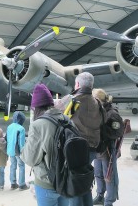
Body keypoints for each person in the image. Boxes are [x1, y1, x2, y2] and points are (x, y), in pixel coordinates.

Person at [55, 72, 105, 206]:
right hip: (93, 149)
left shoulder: (72, 100)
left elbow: (55, 111)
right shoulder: (98, 103)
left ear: (77, 84)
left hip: (76, 150)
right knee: (85, 181)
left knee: (74, 184)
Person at [21, 84, 69, 206]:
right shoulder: (66, 119)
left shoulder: (38, 125)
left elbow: (29, 158)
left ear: (35, 107)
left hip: (47, 182)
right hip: (67, 180)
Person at [92, 89, 124, 206]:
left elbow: (119, 131)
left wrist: (103, 132)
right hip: (98, 148)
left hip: (108, 149)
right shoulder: (99, 110)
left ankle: (109, 201)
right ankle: (100, 196)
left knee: (109, 176)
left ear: (99, 100)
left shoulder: (112, 113)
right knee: (98, 174)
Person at [6, 111, 29, 190]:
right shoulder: (21, 128)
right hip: (18, 151)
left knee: (13, 166)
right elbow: (21, 143)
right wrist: (23, 152)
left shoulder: (9, 126)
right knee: (21, 166)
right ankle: (22, 184)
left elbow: (7, 138)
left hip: (10, 150)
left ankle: (13, 183)